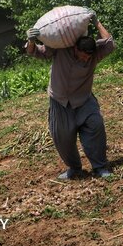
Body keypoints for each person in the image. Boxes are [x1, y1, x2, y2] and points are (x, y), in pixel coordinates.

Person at [25, 13, 115, 180]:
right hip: (60, 101)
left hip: (84, 100)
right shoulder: (60, 49)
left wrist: (96, 22)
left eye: (88, 56)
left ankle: (100, 167)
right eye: (82, 55)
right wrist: (31, 40)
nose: (85, 59)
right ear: (75, 48)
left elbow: (109, 43)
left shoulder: (94, 54)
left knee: (96, 126)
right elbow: (34, 52)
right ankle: (74, 168)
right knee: (62, 138)